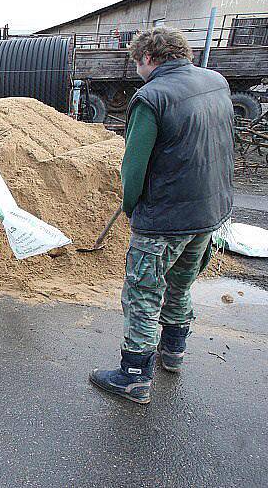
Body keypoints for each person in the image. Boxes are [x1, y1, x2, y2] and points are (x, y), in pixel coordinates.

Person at [89, 28, 234, 404]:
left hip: (165, 218)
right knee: (181, 284)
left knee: (143, 291)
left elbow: (133, 169)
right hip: (209, 212)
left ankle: (134, 374)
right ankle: (173, 350)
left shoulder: (151, 97)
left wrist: (134, 207)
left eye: (137, 62)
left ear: (149, 58)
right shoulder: (216, 83)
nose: (137, 69)